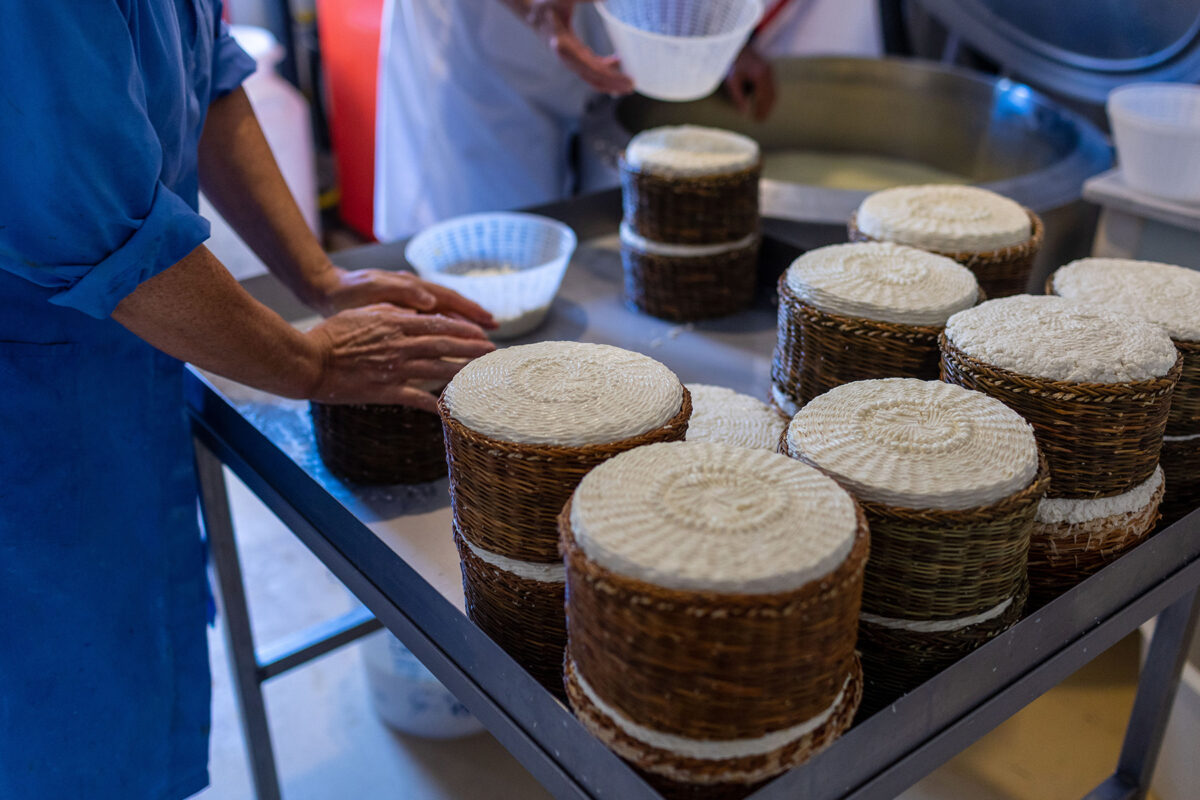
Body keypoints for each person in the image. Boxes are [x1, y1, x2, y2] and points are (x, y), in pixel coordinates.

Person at [0, 2, 495, 797]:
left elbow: (210, 82)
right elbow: (94, 215)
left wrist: (321, 278)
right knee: (55, 725)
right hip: (29, 407)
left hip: (108, 376)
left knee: (126, 676)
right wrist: (307, 362)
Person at [374, 0, 780, 240]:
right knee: (495, 246)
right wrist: (534, 9)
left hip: (602, 24)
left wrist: (719, 30)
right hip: (483, 43)